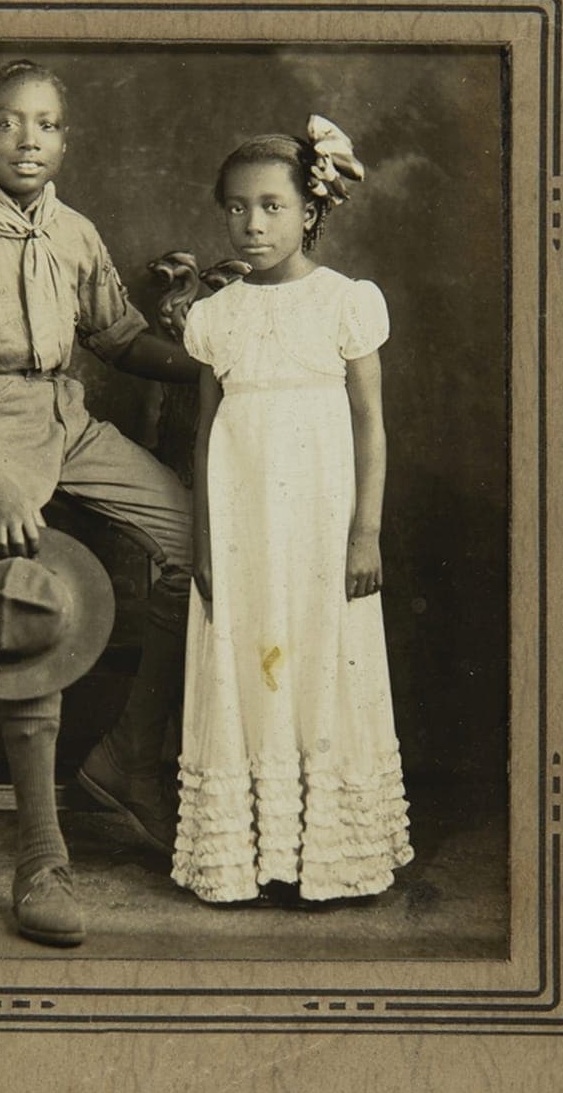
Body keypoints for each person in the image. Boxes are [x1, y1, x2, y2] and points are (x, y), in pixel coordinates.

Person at [0, 58, 199, 947]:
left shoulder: (73, 233)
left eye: (47, 124)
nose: (29, 139)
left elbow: (122, 340)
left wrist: (217, 360)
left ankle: (125, 756)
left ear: (65, 138)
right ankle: (39, 857)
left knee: (198, 542)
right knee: (28, 599)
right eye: (9, 123)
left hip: (65, 420)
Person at [173, 116, 413, 904]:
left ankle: (329, 856)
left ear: (309, 211)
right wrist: (205, 543)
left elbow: (369, 423)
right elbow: (207, 434)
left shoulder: (345, 302)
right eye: (237, 209)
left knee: (321, 658)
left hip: (320, 524)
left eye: (272, 207)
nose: (253, 225)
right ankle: (253, 857)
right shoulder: (215, 317)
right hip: (242, 530)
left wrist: (365, 532)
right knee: (248, 663)